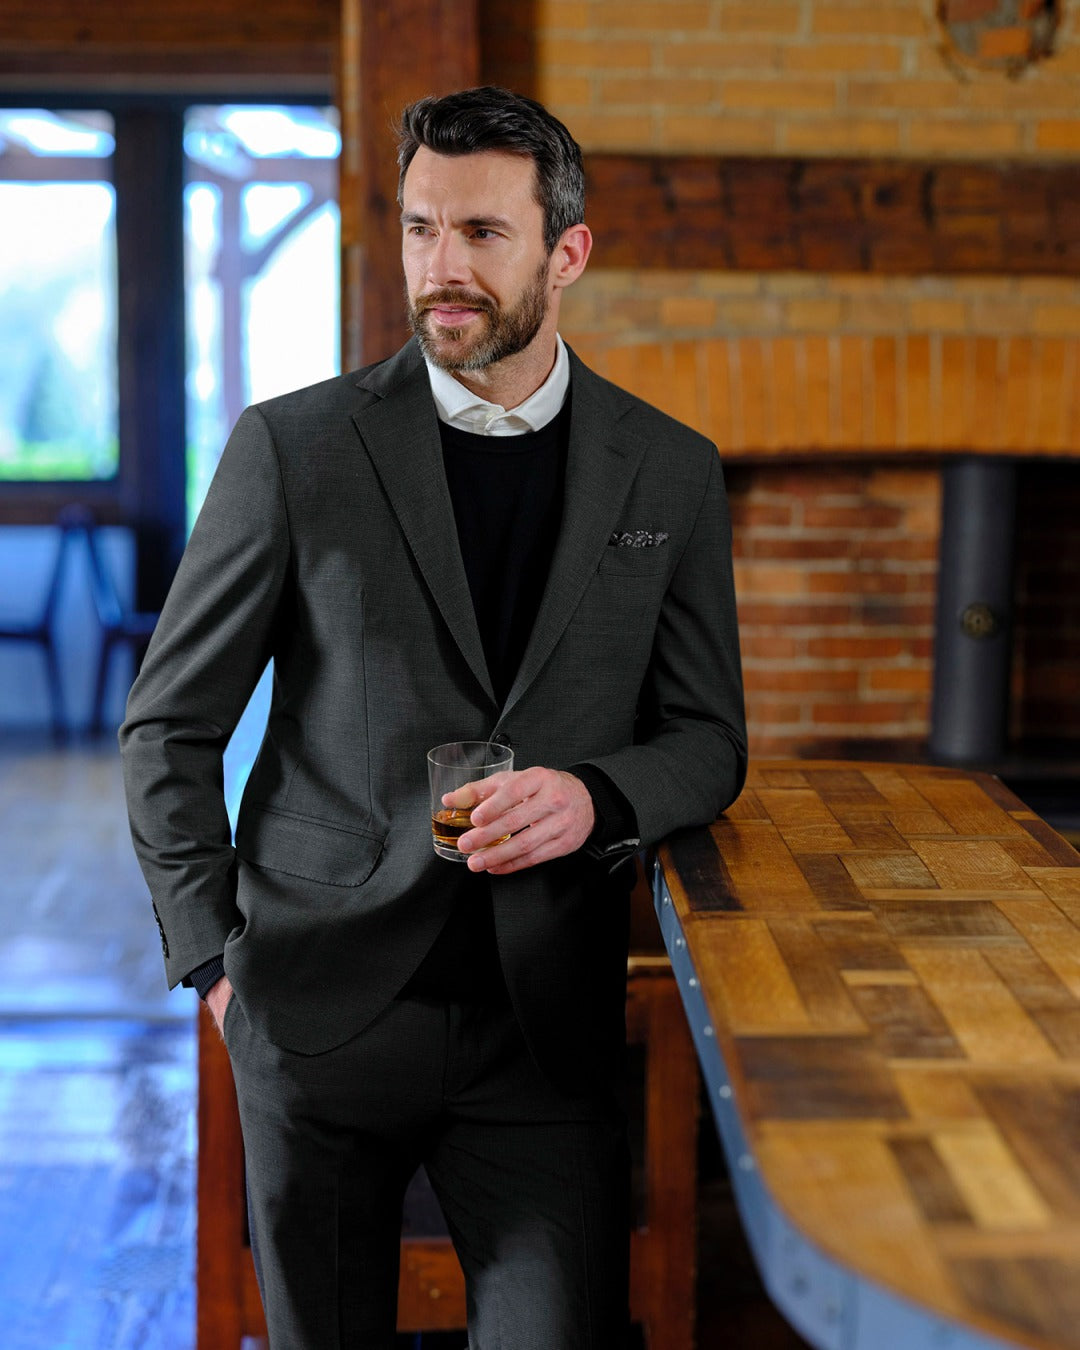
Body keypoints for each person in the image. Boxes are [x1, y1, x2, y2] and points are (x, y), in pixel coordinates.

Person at [120, 86, 746, 1349]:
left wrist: (596, 797)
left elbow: (708, 736)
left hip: (545, 1023)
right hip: (309, 1011)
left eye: (479, 234)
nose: (439, 270)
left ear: (568, 250)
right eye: (418, 230)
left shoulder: (668, 469)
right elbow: (167, 728)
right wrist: (213, 967)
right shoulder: (294, 450)